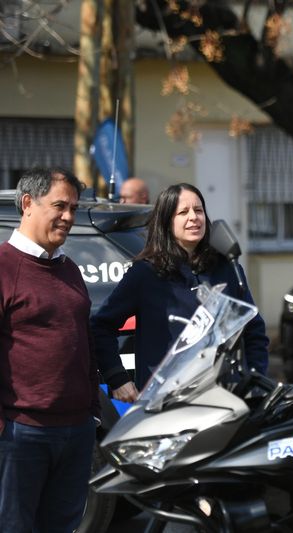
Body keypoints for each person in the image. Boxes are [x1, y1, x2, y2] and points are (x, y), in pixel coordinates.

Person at [92, 183, 269, 402]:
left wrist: (254, 378)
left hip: (223, 398)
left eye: (198, 210)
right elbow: (100, 327)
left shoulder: (227, 268)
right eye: (183, 212)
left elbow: (253, 329)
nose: (194, 217)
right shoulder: (145, 273)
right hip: (165, 402)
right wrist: (117, 378)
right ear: (167, 222)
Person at [0, 168, 100, 532]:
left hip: (76, 432)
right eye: (60, 206)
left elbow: (85, 340)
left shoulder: (69, 269)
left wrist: (91, 414)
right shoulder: (3, 267)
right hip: (20, 434)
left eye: (73, 208)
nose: (69, 217)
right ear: (28, 203)